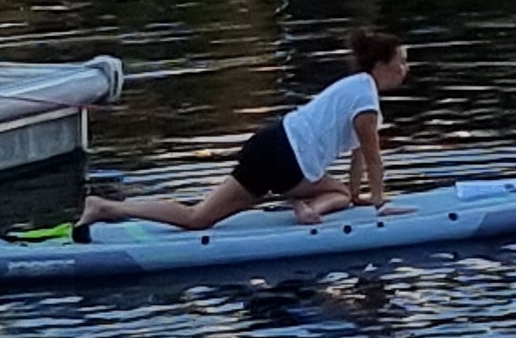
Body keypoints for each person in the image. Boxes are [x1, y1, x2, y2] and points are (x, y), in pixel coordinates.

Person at [84, 32, 410, 234]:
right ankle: (304, 205)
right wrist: (379, 203)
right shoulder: (365, 98)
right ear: (381, 65)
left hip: (267, 145)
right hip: (287, 160)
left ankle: (107, 207)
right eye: (402, 61)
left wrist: (357, 196)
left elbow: (358, 159)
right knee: (335, 193)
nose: (405, 68)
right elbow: (372, 156)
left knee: (198, 217)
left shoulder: (355, 89)